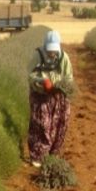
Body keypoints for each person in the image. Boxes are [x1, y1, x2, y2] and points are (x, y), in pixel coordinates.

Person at [27, 30, 75, 167]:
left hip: (58, 94)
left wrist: (62, 86)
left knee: (61, 123)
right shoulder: (38, 55)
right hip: (40, 94)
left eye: (54, 50)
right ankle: (38, 156)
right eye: (50, 50)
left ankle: (54, 154)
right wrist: (41, 81)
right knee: (42, 124)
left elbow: (69, 77)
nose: (52, 53)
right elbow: (30, 76)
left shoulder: (63, 57)